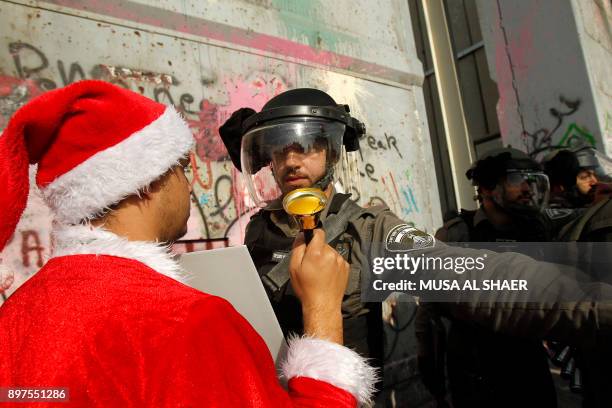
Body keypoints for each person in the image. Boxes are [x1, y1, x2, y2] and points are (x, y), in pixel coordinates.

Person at [0, 80, 377, 407]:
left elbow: (435, 286)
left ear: (331, 151)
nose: (292, 162)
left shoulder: (14, 313)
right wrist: (323, 311)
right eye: (181, 166)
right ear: (147, 180)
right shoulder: (190, 316)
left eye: (306, 147)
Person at [428, 148, 561, 408]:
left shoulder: (538, 231)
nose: (526, 189)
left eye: (530, 181)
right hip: (475, 363)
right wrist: (429, 364)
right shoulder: (459, 235)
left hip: (527, 359)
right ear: (487, 189)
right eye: (516, 181)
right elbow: (431, 307)